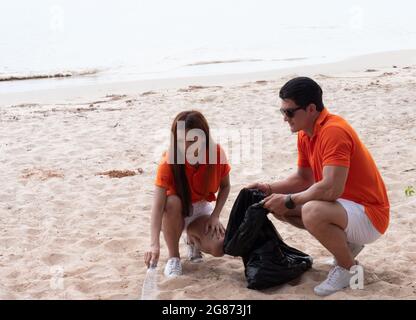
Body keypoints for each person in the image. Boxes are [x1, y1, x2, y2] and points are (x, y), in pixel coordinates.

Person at [249, 77, 389, 296]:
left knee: (311, 210)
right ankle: (348, 247)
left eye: (289, 112)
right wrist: (269, 188)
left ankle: (348, 269)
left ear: (311, 108)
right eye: (282, 112)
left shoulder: (334, 131)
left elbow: (331, 189)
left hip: (371, 215)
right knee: (279, 208)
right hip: (347, 208)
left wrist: (288, 199)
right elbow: (303, 179)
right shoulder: (306, 133)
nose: (285, 119)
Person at [144, 110, 231, 277]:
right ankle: (174, 257)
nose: (186, 147)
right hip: (174, 212)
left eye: (192, 140)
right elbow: (157, 206)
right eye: (180, 141)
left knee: (219, 247)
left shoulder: (216, 153)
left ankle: (192, 239)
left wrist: (215, 215)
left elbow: (226, 186)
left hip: (200, 209)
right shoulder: (168, 160)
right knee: (172, 202)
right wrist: (154, 244)